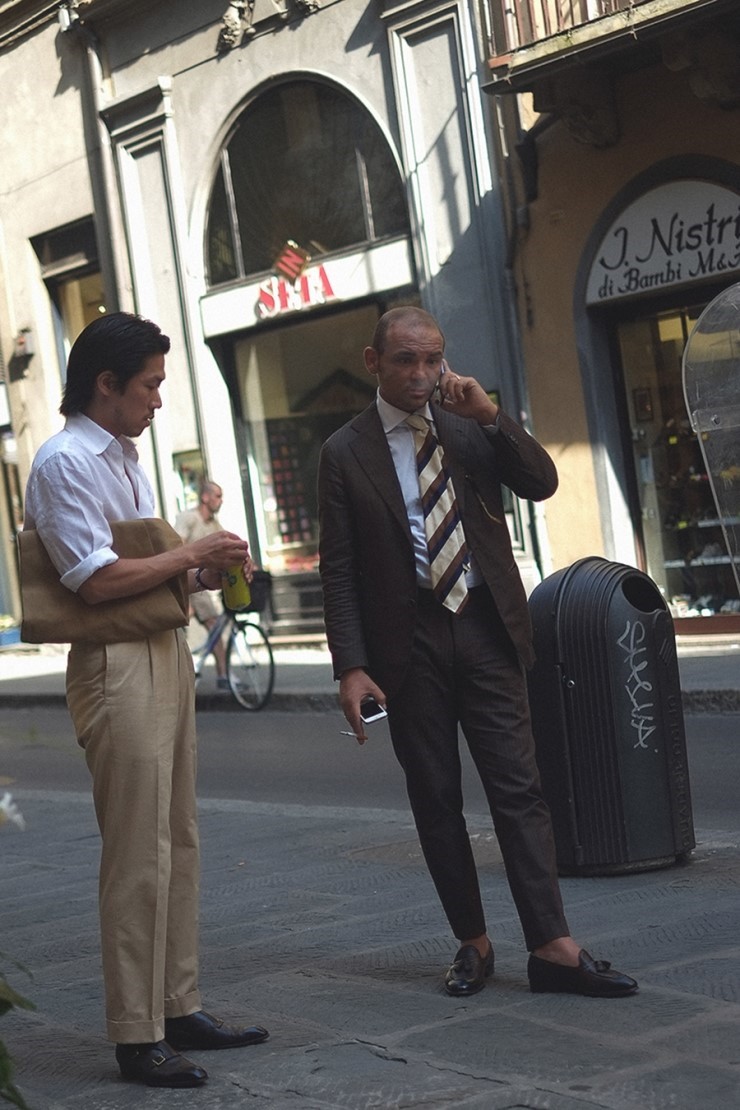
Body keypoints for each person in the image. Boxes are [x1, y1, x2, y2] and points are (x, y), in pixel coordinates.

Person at [318, 306, 638, 1000]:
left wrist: (493, 416)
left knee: (519, 790)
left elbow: (541, 481)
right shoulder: (345, 452)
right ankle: (473, 942)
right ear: (375, 362)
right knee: (435, 797)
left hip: (487, 629)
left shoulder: (467, 421)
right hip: (409, 646)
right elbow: (338, 569)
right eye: (407, 360)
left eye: (433, 359)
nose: (423, 374)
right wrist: (350, 665)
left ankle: (553, 947)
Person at [23, 312, 269, 1089]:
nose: (159, 400)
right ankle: (137, 1033)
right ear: (107, 383)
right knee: (137, 853)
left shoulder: (120, 455)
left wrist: (200, 571)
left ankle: (178, 1003)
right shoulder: (65, 461)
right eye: (152, 385)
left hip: (158, 649)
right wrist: (193, 550)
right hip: (114, 665)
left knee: (179, 837)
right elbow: (93, 580)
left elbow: (140, 576)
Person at [175, 481, 229, 687]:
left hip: (206, 582)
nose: (220, 500)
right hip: (192, 579)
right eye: (217, 495)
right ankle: (222, 675)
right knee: (213, 624)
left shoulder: (213, 524)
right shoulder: (189, 518)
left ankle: (193, 666)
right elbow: (176, 546)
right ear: (205, 497)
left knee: (185, 623)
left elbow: (226, 542)